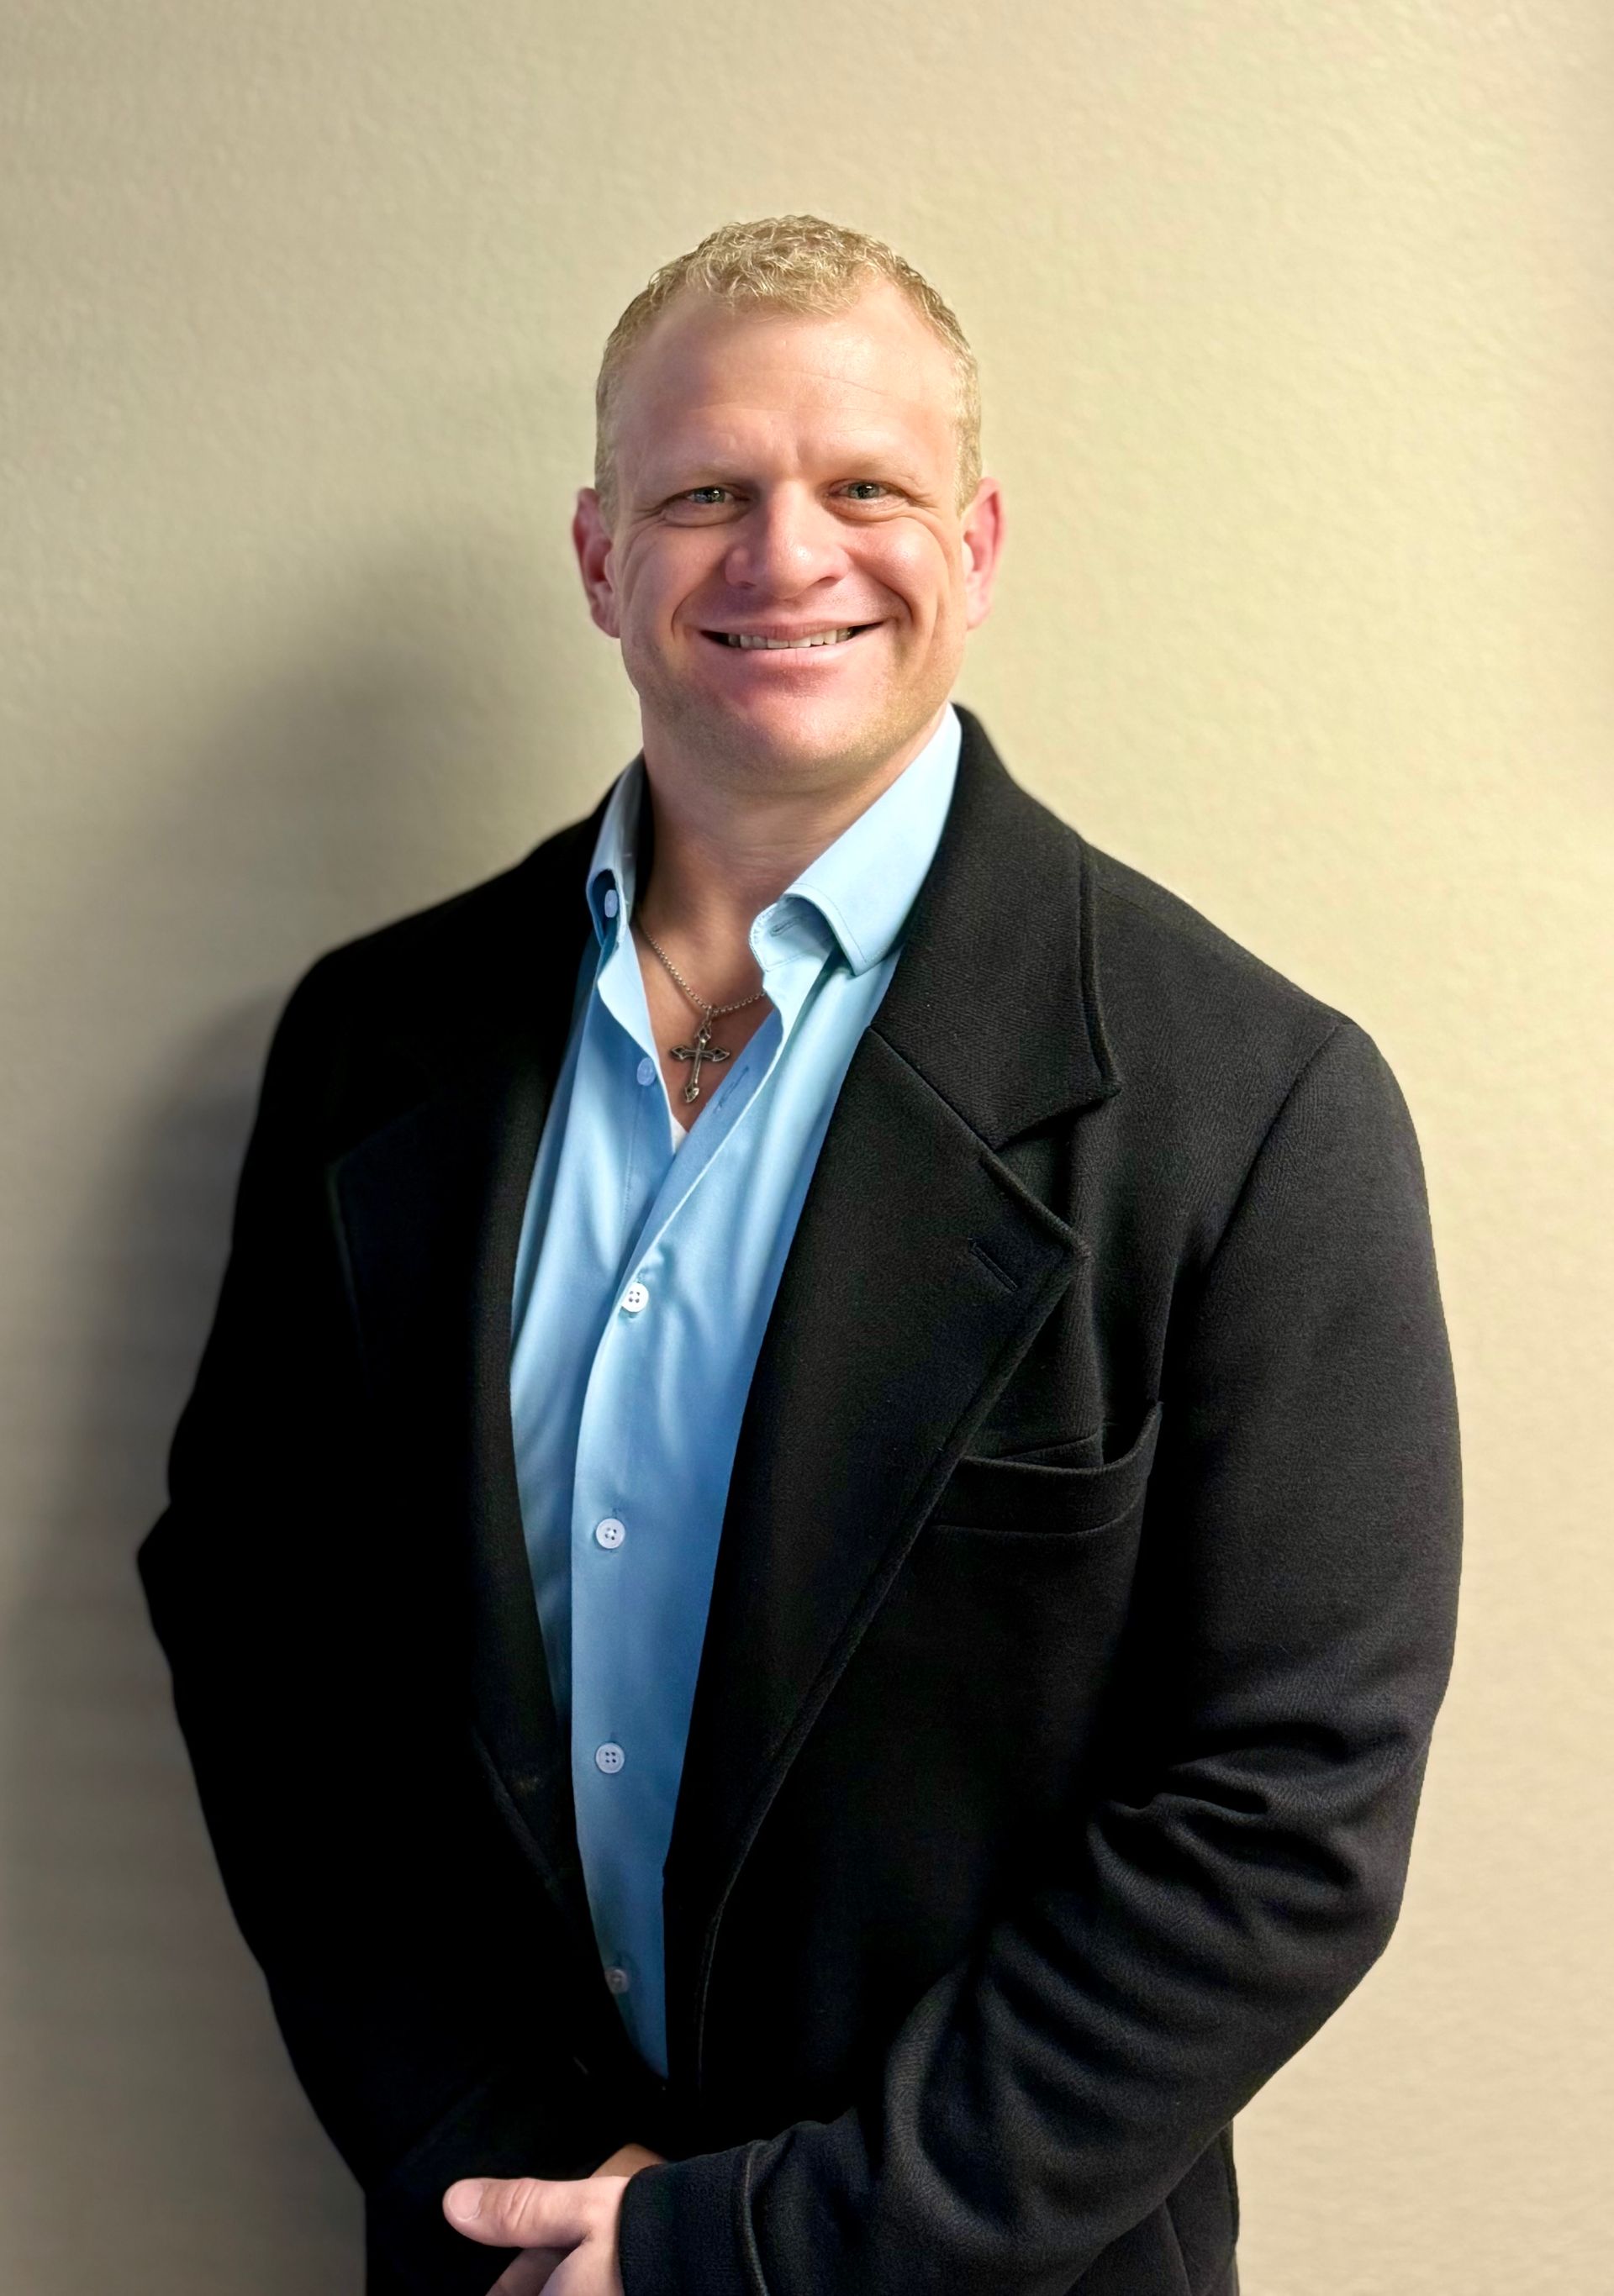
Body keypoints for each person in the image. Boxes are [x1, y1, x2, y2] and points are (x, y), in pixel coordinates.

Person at [137, 214, 1463, 2296]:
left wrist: (753, 2250)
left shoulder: (1259, 1105)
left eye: (865, 485)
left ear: (977, 545)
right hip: (505, 2254)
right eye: (704, 494)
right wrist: (510, 2170)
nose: (787, 553)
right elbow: (267, 1630)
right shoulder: (370, 1046)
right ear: (600, 556)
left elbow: (1282, 1810)